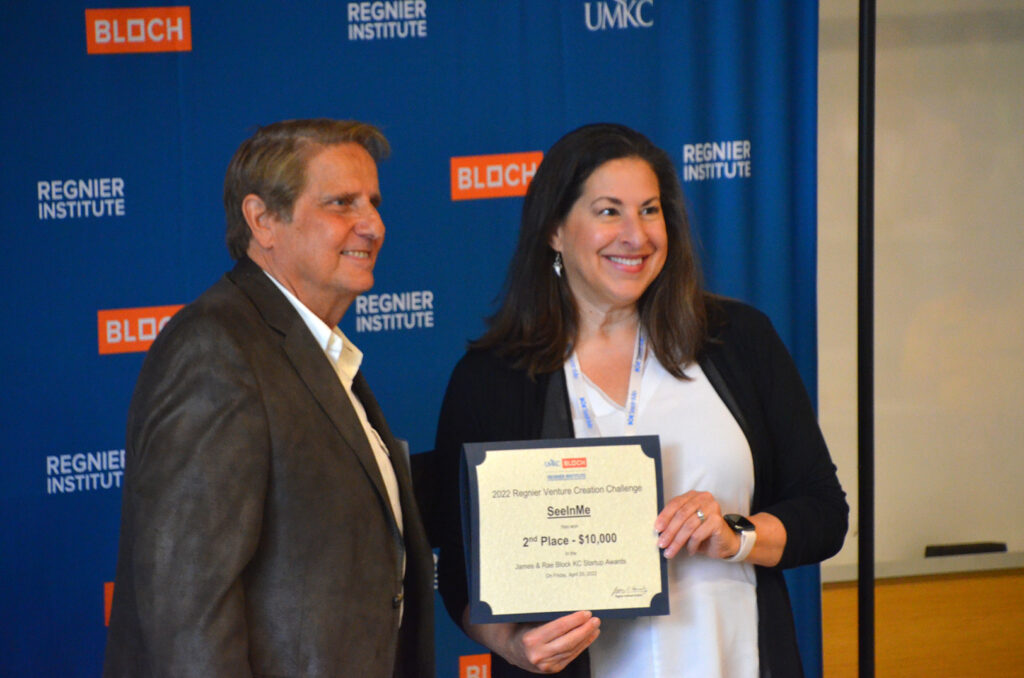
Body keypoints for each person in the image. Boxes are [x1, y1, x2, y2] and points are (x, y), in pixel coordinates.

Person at [433, 123, 848, 677]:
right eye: (609, 212)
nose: (637, 235)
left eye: (650, 211)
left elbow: (823, 512)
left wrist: (736, 535)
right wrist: (510, 645)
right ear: (555, 229)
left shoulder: (738, 340)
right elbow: (462, 573)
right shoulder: (490, 380)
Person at [103, 119, 434, 678]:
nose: (372, 225)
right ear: (263, 221)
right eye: (342, 204)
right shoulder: (217, 349)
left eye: (373, 202)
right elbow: (188, 611)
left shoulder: (312, 350)